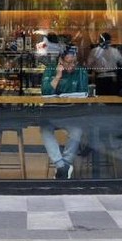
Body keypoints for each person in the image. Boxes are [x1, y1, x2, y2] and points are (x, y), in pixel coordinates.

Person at [40, 45, 88, 179]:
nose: (71, 66)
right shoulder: (50, 69)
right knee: (45, 130)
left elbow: (84, 93)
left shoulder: (80, 71)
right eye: (68, 62)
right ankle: (61, 165)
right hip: (51, 113)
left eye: (74, 62)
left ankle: (65, 164)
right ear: (61, 61)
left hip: (71, 113)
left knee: (77, 131)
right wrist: (58, 75)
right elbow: (45, 92)